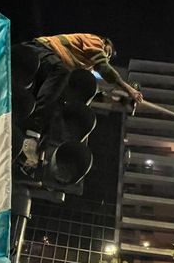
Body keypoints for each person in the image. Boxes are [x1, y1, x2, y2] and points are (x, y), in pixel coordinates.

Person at [20, 33, 143, 166]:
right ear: (105, 43)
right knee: (61, 72)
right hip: (42, 49)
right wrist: (129, 89)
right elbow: (104, 69)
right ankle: (32, 134)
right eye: (107, 53)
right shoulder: (95, 41)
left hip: (51, 67)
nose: (106, 57)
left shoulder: (84, 67)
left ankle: (36, 156)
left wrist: (122, 101)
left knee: (55, 104)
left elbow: (92, 93)